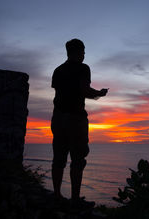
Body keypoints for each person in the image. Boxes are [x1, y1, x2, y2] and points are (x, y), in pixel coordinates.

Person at [50, 38, 108, 210]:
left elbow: (60, 93)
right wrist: (99, 94)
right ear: (78, 51)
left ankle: (57, 195)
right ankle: (74, 199)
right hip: (75, 119)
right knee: (78, 158)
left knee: (59, 158)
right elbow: (83, 90)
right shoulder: (83, 68)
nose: (84, 54)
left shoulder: (58, 70)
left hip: (58, 117)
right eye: (83, 51)